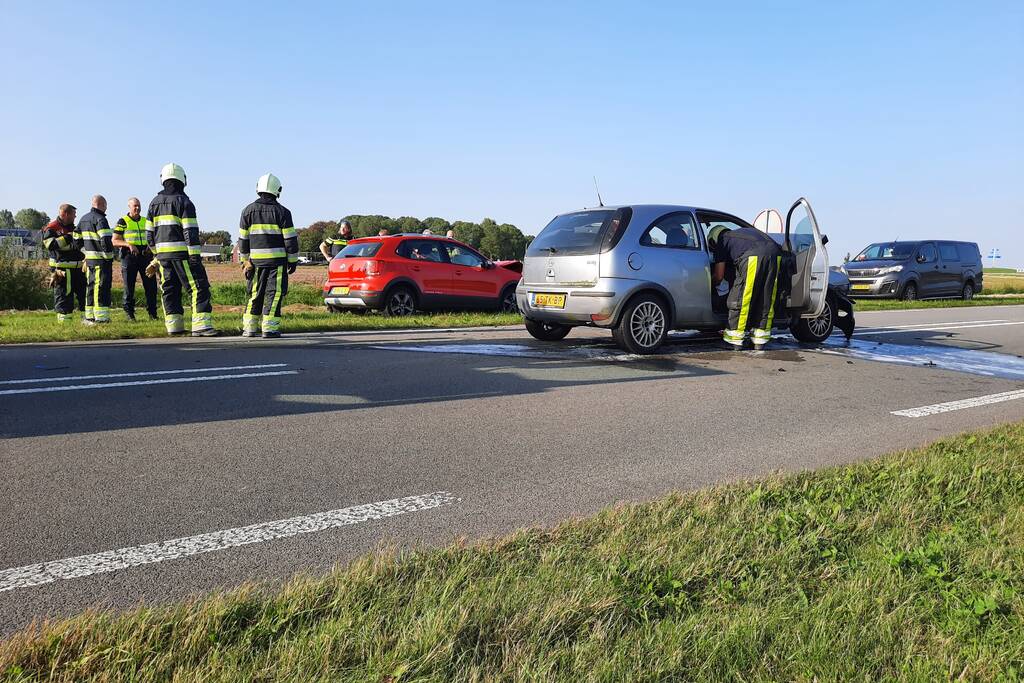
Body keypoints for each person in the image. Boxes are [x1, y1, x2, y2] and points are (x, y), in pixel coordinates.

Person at [145, 163, 217, 336]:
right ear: (182, 180)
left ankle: (174, 327)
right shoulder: (184, 202)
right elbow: (190, 232)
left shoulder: (153, 203)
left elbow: (149, 235)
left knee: (169, 289)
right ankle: (201, 326)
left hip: (163, 257)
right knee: (198, 287)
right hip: (183, 255)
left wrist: (157, 255)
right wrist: (194, 256)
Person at [238, 173, 298, 338]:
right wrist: (292, 261)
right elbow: (290, 241)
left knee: (255, 294)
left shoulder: (247, 211)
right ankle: (269, 329)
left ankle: (249, 328)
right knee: (274, 293)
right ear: (277, 190)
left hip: (255, 263)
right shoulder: (283, 212)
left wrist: (245, 262)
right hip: (277, 264)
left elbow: (242, 240)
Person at [707, 223, 783, 349]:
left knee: (742, 298)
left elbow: (719, 276)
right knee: (765, 297)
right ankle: (759, 341)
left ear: (712, 240)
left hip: (754, 256)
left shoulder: (722, 239)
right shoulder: (739, 235)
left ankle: (734, 340)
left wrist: (709, 285)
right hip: (775, 254)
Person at [113, 197, 158, 320]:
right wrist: (128, 244)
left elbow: (153, 236)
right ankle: (129, 314)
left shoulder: (146, 220)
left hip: (145, 256)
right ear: (129, 207)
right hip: (129, 256)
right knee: (129, 287)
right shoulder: (123, 221)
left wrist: (151, 247)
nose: (137, 208)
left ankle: (153, 314)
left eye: (139, 205)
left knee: (151, 286)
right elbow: (115, 240)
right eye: (135, 206)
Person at [41, 204, 86, 322]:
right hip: (62, 270)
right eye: (73, 215)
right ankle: (64, 323)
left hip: (79, 269)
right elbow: (50, 245)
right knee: (64, 297)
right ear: (66, 214)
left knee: (84, 295)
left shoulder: (74, 228)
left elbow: (79, 245)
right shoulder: (51, 228)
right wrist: (68, 237)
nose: (75, 217)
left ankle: (87, 320)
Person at [76, 195, 114, 324]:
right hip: (101, 260)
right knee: (101, 288)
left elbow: (76, 239)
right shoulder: (101, 219)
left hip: (89, 260)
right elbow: (106, 240)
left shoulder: (83, 219)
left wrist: (85, 252)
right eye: (106, 205)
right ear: (102, 204)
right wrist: (109, 256)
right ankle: (101, 318)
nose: (106, 208)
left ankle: (90, 316)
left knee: (90, 287)